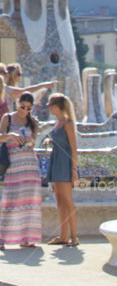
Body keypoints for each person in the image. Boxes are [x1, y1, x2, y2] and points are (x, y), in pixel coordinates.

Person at [0, 92, 41, 248]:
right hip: (13, 164)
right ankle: (2, 239)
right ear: (17, 103)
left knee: (29, 202)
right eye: (22, 107)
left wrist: (29, 141)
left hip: (30, 165)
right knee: (10, 200)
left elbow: (33, 144)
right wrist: (10, 135)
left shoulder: (34, 122)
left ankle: (27, 238)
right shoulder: (8, 118)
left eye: (29, 108)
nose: (25, 110)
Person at [44, 93, 79, 246]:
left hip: (65, 164)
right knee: (59, 200)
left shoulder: (68, 124)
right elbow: (59, 140)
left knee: (67, 200)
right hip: (56, 162)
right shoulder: (58, 123)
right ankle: (63, 236)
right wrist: (49, 140)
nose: (49, 108)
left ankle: (74, 237)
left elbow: (73, 148)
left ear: (56, 106)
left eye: (50, 105)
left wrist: (74, 170)